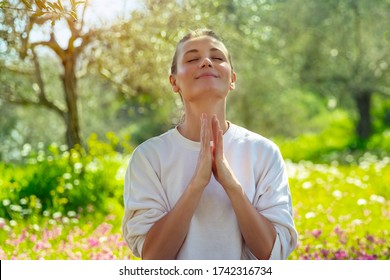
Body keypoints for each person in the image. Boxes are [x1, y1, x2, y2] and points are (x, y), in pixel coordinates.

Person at [122, 28, 297, 260]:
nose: (206, 62)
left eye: (217, 58)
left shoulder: (263, 152)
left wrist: (232, 186)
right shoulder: (148, 157)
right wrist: (197, 185)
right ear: (174, 82)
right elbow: (152, 257)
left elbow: (271, 253)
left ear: (232, 79)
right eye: (193, 59)